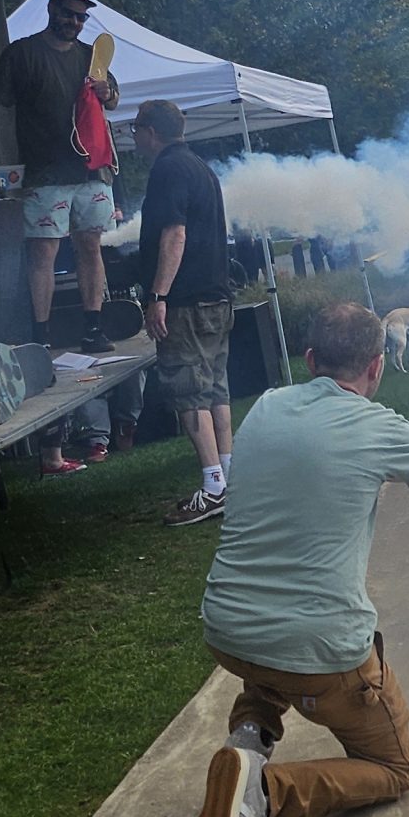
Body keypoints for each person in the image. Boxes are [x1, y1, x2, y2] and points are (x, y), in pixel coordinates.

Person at [185, 302, 409, 817]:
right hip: (323, 654)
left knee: (270, 647)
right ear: (376, 368)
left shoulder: (267, 407)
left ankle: (249, 737)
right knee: (392, 769)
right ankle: (262, 795)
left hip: (227, 632)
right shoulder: (385, 430)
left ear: (311, 359)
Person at [0, 0, 121, 350]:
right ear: (52, 10)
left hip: (92, 168)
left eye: (81, 17)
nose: (74, 22)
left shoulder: (90, 55)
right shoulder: (23, 54)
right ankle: (40, 336)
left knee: (90, 246)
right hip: (46, 170)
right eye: (68, 14)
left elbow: (112, 98)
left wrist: (107, 93)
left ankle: (93, 327)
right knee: (42, 251)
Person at [131, 99, 238, 525]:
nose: (133, 135)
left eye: (136, 128)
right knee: (215, 388)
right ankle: (229, 479)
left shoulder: (168, 170)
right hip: (216, 297)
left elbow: (175, 234)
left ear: (151, 131)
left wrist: (159, 295)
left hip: (187, 302)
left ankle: (213, 488)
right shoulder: (201, 167)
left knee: (189, 388)